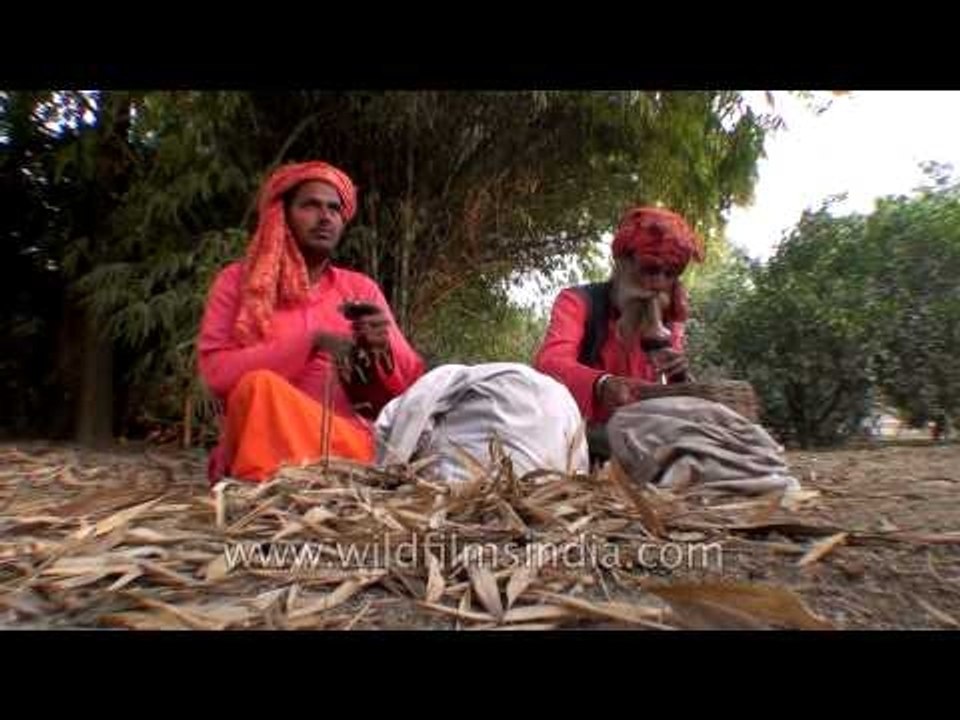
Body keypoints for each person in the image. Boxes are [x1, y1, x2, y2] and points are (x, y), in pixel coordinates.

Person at [197, 161, 425, 483]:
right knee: (258, 388)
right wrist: (310, 341)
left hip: (343, 445)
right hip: (264, 441)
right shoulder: (236, 282)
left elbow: (410, 388)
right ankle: (267, 482)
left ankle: (336, 474)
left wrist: (381, 352)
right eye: (310, 206)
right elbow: (218, 374)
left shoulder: (360, 288)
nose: (325, 217)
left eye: (334, 208)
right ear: (282, 216)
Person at [533, 206, 704, 461]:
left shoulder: (669, 321)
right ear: (622, 263)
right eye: (650, 270)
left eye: (669, 274)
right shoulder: (578, 301)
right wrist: (602, 384)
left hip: (641, 432)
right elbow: (549, 363)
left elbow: (677, 393)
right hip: (581, 433)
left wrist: (680, 374)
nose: (658, 283)